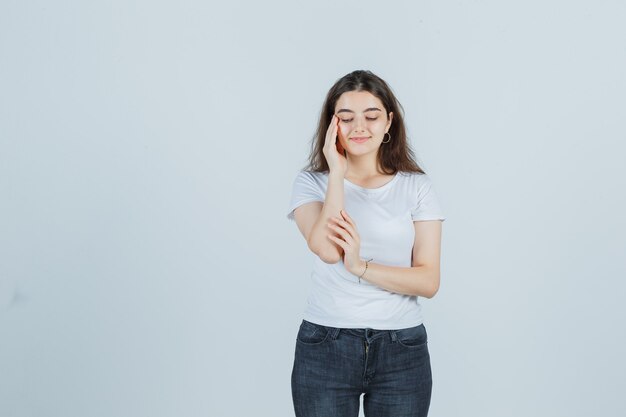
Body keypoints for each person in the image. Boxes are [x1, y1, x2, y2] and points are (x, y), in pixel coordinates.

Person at [286, 69, 446, 417]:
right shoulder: (312, 183)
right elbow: (328, 250)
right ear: (332, 125)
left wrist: (360, 267)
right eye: (346, 117)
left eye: (371, 116)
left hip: (401, 347)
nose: (359, 126)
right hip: (325, 344)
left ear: (389, 121)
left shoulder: (416, 186)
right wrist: (338, 174)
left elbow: (428, 281)